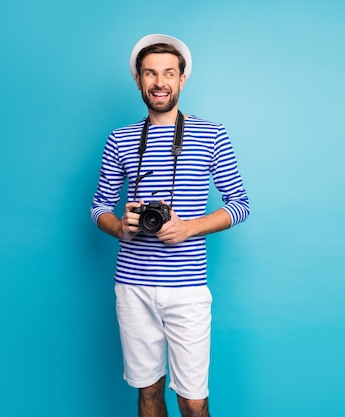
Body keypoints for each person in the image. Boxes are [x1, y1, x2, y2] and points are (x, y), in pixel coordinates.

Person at [90, 34, 249, 417]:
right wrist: (121, 228)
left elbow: (239, 205)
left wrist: (189, 227)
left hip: (188, 290)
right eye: (150, 73)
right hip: (132, 288)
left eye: (168, 73)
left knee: (193, 402)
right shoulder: (120, 138)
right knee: (147, 393)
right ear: (139, 81)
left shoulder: (212, 134)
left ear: (181, 79)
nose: (159, 82)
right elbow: (99, 208)